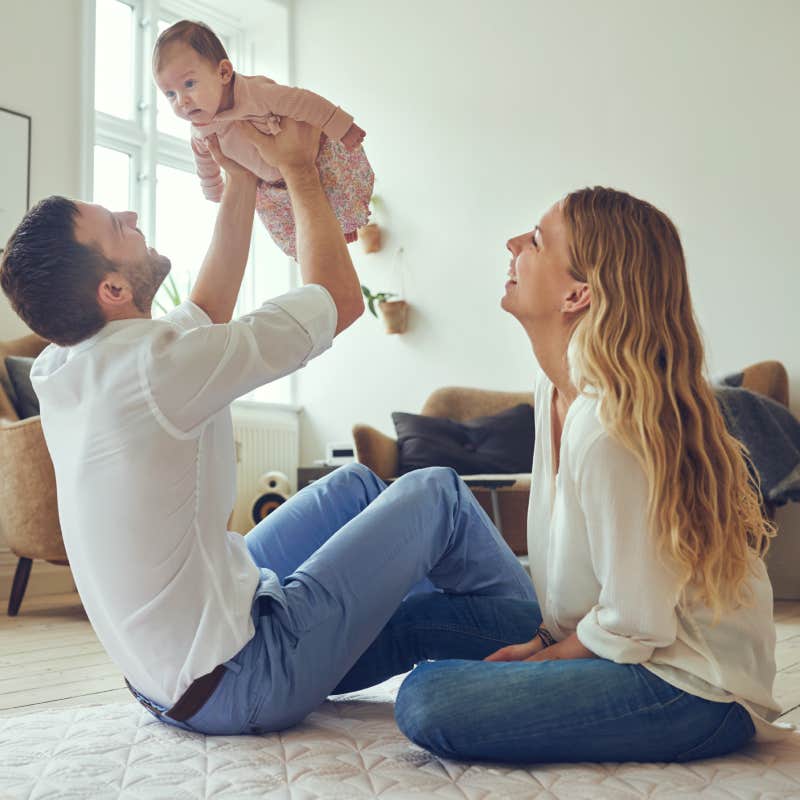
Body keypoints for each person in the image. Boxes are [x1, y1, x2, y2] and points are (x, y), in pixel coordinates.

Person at [0, 117, 533, 736]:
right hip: (238, 679)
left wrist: (242, 177)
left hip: (172, 678)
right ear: (113, 287)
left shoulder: (65, 364)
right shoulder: (154, 368)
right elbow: (341, 298)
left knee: (357, 486)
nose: (130, 214)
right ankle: (542, 638)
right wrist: (299, 168)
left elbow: (205, 310)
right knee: (435, 491)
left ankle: (437, 624)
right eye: (117, 226)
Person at [331, 187, 788, 763]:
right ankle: (265, 677)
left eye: (536, 241)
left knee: (429, 697)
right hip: (618, 638)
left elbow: (635, 627)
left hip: (689, 687)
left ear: (578, 292)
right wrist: (544, 641)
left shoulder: (609, 424)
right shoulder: (555, 390)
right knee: (421, 616)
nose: (513, 244)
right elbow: (597, 601)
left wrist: (536, 663)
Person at [153, 19, 373, 259]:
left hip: (310, 155)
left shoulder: (256, 93)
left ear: (224, 72)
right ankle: (327, 239)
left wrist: (341, 125)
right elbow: (204, 163)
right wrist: (213, 190)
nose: (182, 101)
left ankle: (348, 226)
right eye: (170, 94)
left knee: (333, 185)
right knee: (283, 224)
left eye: (189, 84)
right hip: (269, 185)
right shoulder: (200, 130)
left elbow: (303, 102)